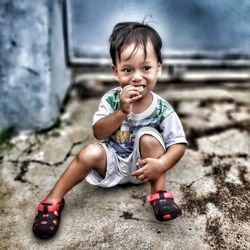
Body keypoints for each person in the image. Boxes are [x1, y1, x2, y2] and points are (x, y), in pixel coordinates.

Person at [32, 21, 187, 239]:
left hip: (145, 166)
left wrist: (160, 165)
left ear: (158, 68)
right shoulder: (112, 99)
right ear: (116, 72)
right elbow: (99, 132)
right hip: (112, 161)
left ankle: (159, 194)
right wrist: (121, 112)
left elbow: (178, 144)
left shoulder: (162, 109)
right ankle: (53, 200)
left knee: (149, 136)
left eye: (146, 68)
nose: (136, 77)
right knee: (89, 152)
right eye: (127, 69)